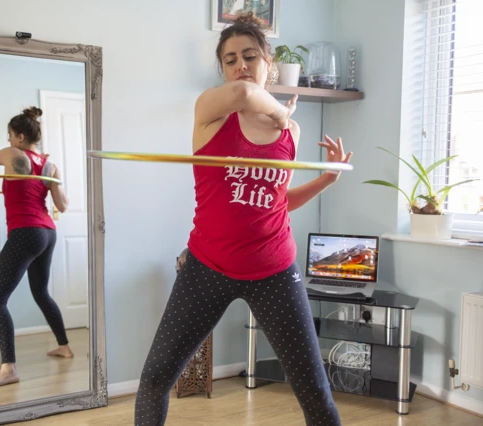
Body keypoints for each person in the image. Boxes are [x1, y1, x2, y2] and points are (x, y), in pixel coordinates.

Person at [134, 13, 352, 426]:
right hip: (207, 267)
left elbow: (276, 201)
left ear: (269, 61)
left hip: (274, 269)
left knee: (316, 393)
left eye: (250, 56)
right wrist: (280, 112)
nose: (241, 66)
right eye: (231, 59)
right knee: (155, 378)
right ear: (222, 69)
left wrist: (326, 178)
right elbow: (239, 94)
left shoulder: (293, 134)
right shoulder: (211, 111)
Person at [0, 106, 73, 390]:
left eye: (9, 135)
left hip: (26, 232)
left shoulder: (12, 155)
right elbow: (63, 206)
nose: (8, 141)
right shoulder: (48, 166)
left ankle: (9, 369)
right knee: (41, 292)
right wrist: (52, 173)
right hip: (47, 233)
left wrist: (9, 152)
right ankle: (64, 346)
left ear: (19, 136)